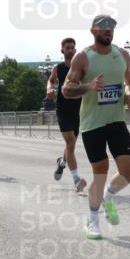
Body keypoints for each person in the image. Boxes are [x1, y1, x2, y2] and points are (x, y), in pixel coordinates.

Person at [61, 15, 130, 240]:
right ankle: (92, 221)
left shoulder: (122, 55)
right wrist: (89, 86)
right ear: (93, 30)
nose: (108, 30)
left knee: (128, 170)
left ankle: (109, 196)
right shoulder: (83, 58)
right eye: (104, 27)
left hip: (116, 121)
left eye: (112, 27)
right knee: (101, 172)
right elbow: (66, 90)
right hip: (92, 124)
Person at [46, 37, 87, 192]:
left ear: (75, 50)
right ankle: (77, 179)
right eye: (67, 47)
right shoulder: (58, 68)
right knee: (70, 142)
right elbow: (51, 81)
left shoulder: (81, 69)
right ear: (62, 50)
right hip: (63, 110)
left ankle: (62, 163)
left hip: (78, 110)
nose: (70, 49)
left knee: (71, 145)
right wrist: (49, 89)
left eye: (72, 47)